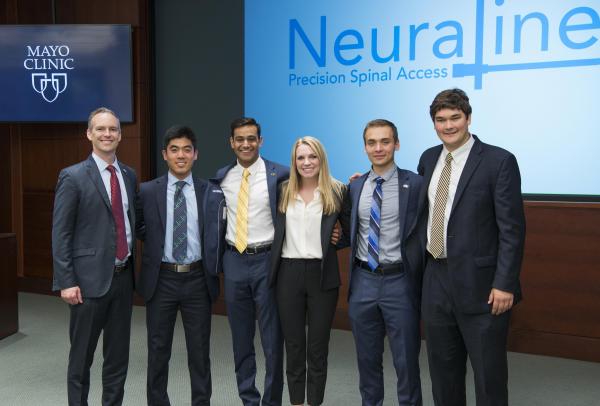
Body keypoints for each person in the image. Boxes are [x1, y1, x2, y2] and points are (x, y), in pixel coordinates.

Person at [417, 88, 526, 406]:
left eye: (455, 118)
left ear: (468, 118)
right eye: (441, 120)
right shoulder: (427, 159)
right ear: (434, 123)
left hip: (483, 288)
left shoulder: (498, 161)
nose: (448, 126)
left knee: (488, 378)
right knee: (442, 374)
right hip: (435, 280)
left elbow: (512, 230)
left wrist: (504, 283)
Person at [52, 107, 137, 406]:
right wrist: (66, 280)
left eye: (113, 129)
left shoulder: (128, 175)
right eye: (100, 129)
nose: (107, 134)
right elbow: (60, 233)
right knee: (81, 360)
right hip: (87, 285)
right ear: (89, 134)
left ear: (120, 135)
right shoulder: (72, 176)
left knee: (117, 359)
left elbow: (129, 223)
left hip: (123, 278)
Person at [339, 119, 423, 406]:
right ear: (364, 147)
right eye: (372, 143)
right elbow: (346, 231)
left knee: (406, 361)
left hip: (399, 282)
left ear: (396, 144)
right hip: (363, 281)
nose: (379, 148)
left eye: (385, 141)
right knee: (367, 360)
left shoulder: (415, 184)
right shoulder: (356, 186)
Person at [136, 126, 221, 406]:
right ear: (165, 155)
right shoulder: (148, 191)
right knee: (158, 351)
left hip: (198, 279)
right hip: (162, 280)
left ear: (195, 154)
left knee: (199, 352)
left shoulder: (210, 191)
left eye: (187, 149)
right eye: (174, 150)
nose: (181, 155)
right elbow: (140, 228)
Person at [212, 117, 288, 406]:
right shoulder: (223, 176)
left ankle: (271, 401)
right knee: (241, 339)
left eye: (251, 138)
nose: (246, 144)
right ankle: (248, 399)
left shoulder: (280, 174)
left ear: (261, 141)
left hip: (268, 261)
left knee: (272, 340)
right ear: (232, 142)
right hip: (233, 261)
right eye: (240, 139)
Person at [269, 136, 346, 406]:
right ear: (294, 161)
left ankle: (314, 401)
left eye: (312, 156)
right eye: (301, 157)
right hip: (287, 274)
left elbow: (349, 231)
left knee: (317, 347)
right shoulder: (281, 190)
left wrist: (340, 235)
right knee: (293, 345)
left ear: (321, 159)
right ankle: (296, 402)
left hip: (322, 275)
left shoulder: (337, 191)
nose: (306, 162)